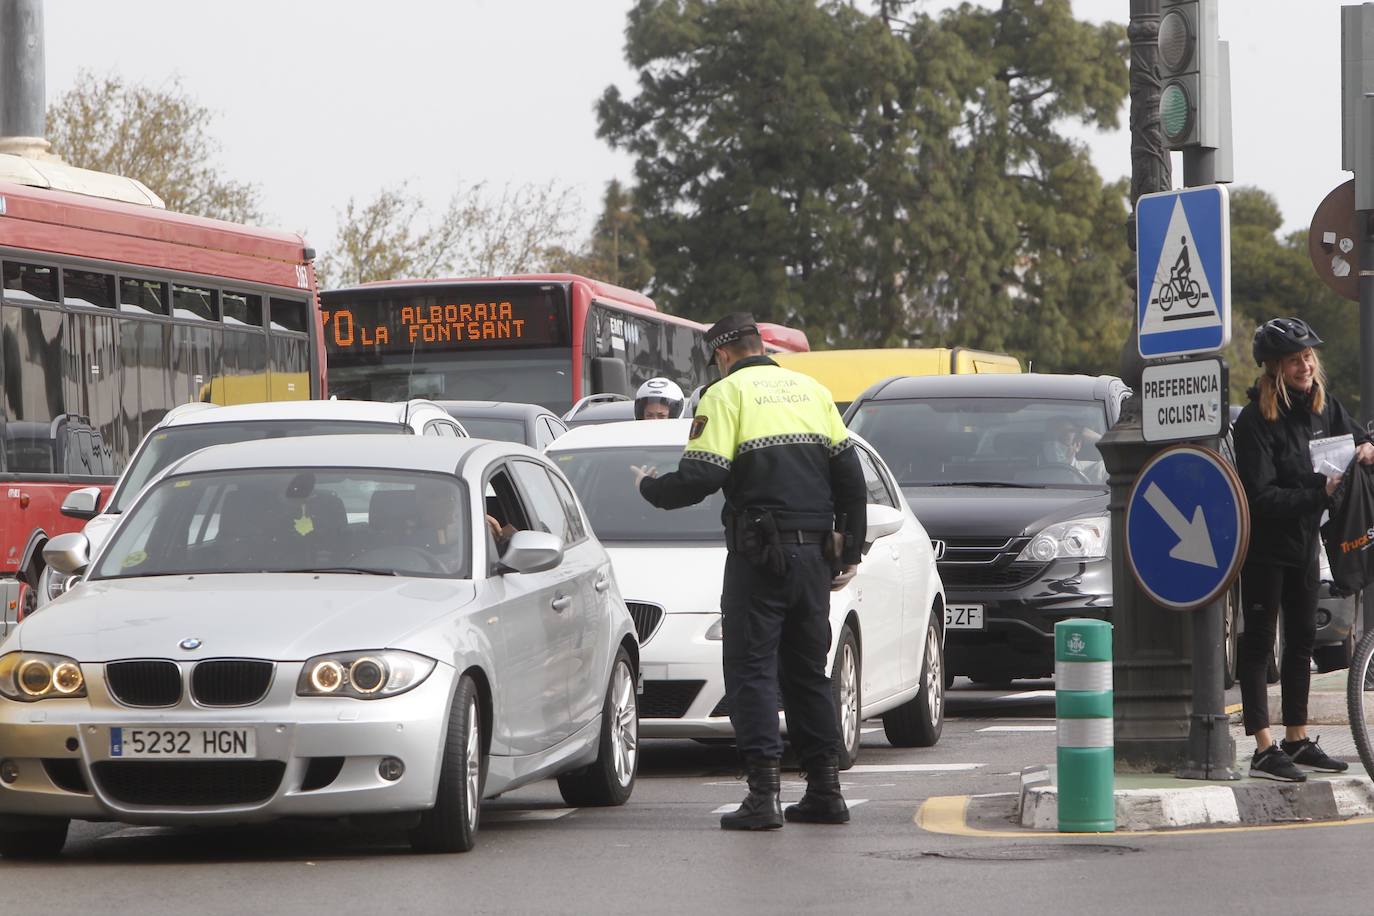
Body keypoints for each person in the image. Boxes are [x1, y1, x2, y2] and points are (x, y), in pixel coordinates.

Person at [632, 312, 867, 830]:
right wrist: (850, 550)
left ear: (720, 354)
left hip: (759, 558)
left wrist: (651, 487)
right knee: (807, 672)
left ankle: (764, 796)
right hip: (813, 559)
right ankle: (826, 790)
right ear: (759, 345)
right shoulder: (811, 391)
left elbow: (702, 476)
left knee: (752, 671)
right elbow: (850, 476)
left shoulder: (724, 396)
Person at [1233, 317, 1374, 781]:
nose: (1305, 365)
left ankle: (1295, 739)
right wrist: (1319, 491)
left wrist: (1367, 447)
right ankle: (1263, 748)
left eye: (1308, 356)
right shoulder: (1255, 421)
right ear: (1274, 367)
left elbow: (1357, 437)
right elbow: (1260, 496)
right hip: (1265, 548)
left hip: (1304, 544)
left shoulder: (1323, 407)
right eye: (1295, 359)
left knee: (1302, 643)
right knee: (1257, 645)